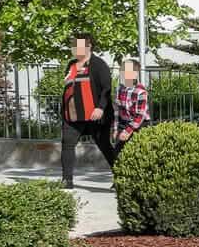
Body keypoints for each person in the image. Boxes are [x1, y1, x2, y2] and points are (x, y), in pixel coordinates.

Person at [59, 34, 116, 186]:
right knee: (67, 144)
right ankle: (67, 180)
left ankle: (121, 176)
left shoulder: (99, 64)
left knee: (104, 145)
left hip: (95, 114)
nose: (75, 49)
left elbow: (106, 88)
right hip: (73, 115)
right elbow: (68, 86)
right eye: (74, 46)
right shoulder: (71, 64)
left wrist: (100, 107)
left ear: (89, 46)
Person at [114, 59, 148, 148]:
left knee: (136, 149)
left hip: (139, 124)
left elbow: (140, 115)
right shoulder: (119, 89)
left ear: (135, 73)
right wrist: (115, 129)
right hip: (123, 122)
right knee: (117, 150)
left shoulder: (140, 92)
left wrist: (128, 131)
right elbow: (117, 111)